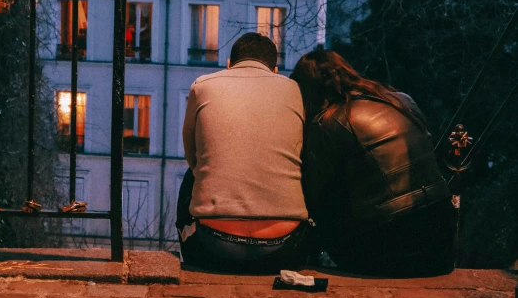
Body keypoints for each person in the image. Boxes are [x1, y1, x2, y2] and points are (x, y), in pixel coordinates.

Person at [290, 50, 455, 277]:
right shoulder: (401, 100)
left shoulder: (327, 122)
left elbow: (315, 197)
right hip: (442, 241)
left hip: (390, 247)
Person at [177, 32, 310, 273]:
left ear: (229, 65)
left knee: (191, 176)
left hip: (213, 245)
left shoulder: (202, 86)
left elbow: (193, 157)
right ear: (275, 71)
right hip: (285, 248)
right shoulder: (293, 90)